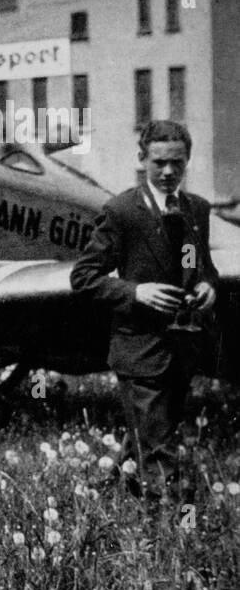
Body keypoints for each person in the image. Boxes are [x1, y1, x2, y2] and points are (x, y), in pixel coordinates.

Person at [71, 120, 219, 505]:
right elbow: (84, 277)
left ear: (187, 161)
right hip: (139, 351)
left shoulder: (196, 210)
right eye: (159, 163)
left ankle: (109, 497)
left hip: (183, 349)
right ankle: (170, 529)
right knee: (159, 448)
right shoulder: (121, 212)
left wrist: (207, 286)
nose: (168, 172)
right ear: (142, 160)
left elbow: (201, 265)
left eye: (177, 163)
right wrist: (138, 292)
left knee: (154, 433)